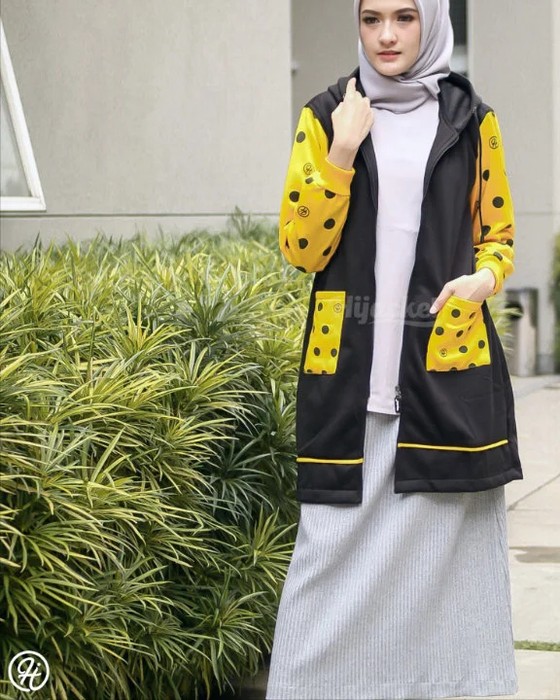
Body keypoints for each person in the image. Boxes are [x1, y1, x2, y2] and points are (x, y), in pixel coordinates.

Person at [265, 0, 523, 698]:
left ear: (431, 22)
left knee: (448, 567)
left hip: (443, 371)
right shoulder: (327, 115)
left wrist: (483, 279)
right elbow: (301, 247)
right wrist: (343, 152)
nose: (385, 35)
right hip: (351, 375)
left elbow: (498, 236)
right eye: (371, 17)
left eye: (405, 17)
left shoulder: (471, 119)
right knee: (327, 555)